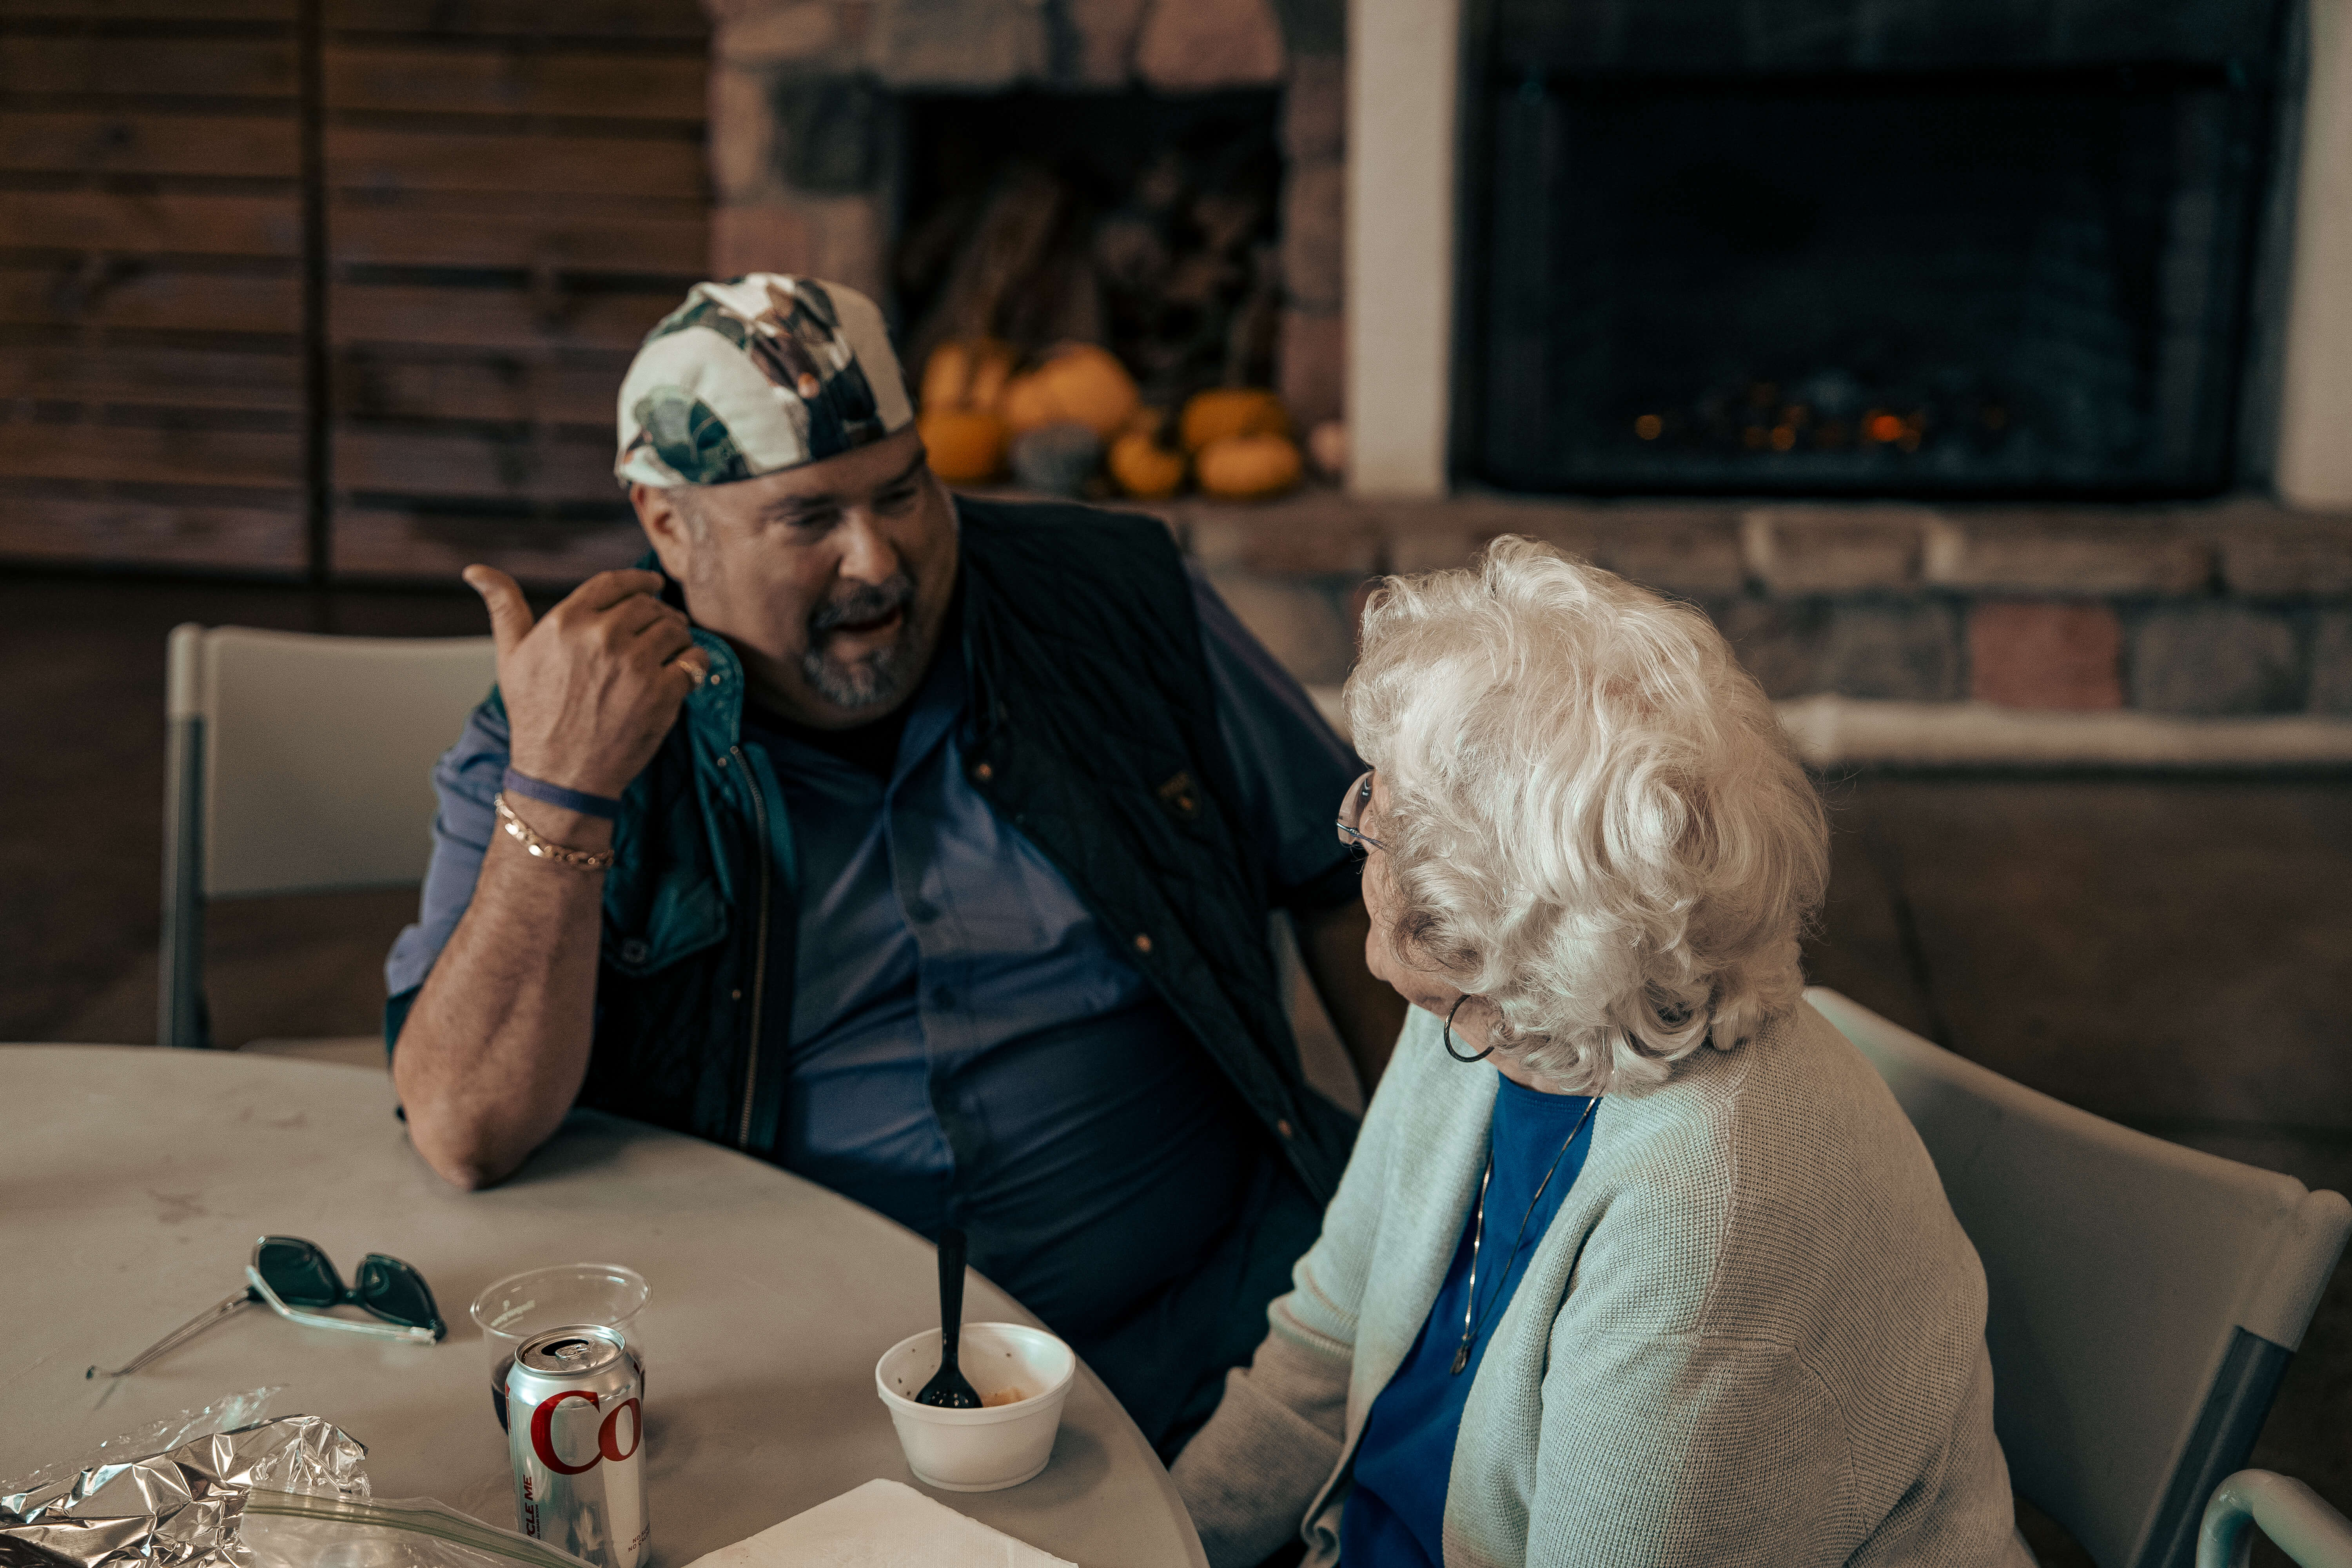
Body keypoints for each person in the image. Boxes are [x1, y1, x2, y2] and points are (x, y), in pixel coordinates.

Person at [383, 273, 1405, 1453]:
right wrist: (564, 792)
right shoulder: (562, 725)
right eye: (810, 519)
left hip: (1219, 1334)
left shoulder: (1115, 603)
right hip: (792, 1391)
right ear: (670, 524)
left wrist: (1425, 1216)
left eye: (905, 494)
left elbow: (1350, 881)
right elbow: (465, 1128)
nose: (879, 561)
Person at [1171, 539, 2034, 1567]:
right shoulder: (1489, 1017)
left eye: (1385, 815)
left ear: (1495, 925)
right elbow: (1325, 1344)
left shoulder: (1702, 1227)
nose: (1355, 829)